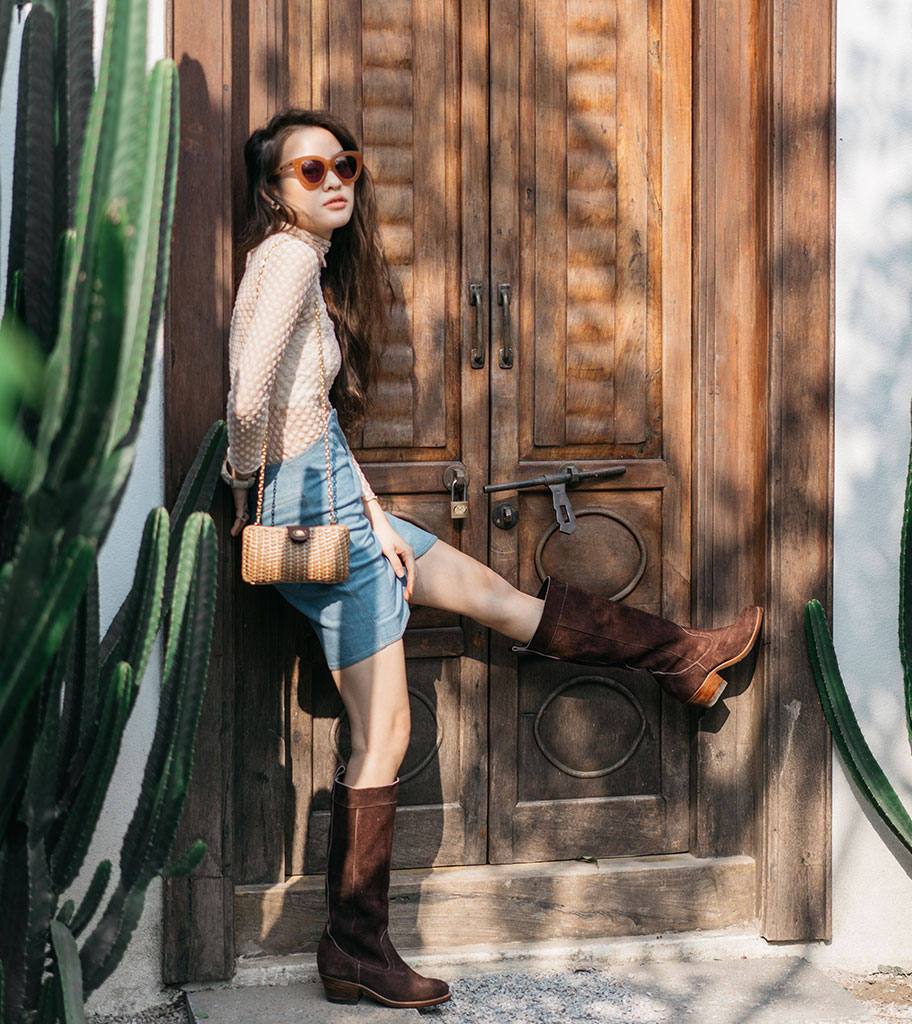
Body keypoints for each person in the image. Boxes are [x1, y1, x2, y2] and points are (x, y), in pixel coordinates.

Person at [221, 107, 766, 1011]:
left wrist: (374, 515)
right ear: (276, 192)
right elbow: (248, 404)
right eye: (310, 171)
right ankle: (354, 946)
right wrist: (247, 489)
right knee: (384, 735)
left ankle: (680, 658)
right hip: (313, 511)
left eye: (345, 164)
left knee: (494, 595)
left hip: (339, 503)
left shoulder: (301, 263)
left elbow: (307, 415)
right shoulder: (284, 261)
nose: (335, 181)